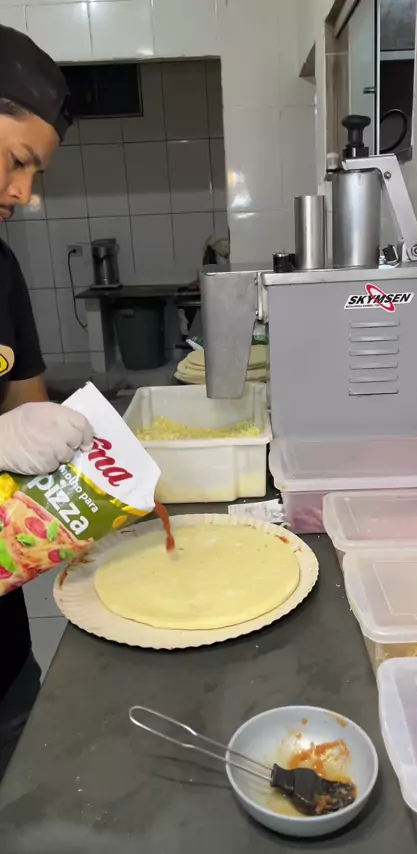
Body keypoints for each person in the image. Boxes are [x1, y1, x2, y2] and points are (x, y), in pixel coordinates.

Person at [0, 25, 92, 778]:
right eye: (17, 160)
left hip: (3, 657)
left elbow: (26, 412)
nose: (24, 194)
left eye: (35, 173)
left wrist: (95, 490)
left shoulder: (0, 269)